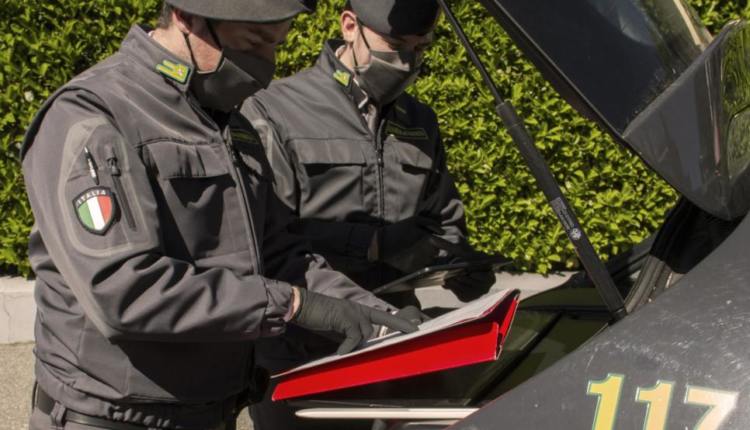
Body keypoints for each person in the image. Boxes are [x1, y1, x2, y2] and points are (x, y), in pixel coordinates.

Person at [20, 1, 418, 429]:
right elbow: (121, 289)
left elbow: (278, 255)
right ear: (186, 16)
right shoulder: (94, 114)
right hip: (111, 417)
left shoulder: (231, 125)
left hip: (212, 412)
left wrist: (378, 318)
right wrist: (291, 304)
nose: (266, 65)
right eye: (253, 42)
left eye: (276, 45)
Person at [242, 1, 496, 428]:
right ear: (349, 26)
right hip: (305, 357)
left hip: (397, 344)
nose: (407, 61)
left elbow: (444, 222)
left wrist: (459, 266)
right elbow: (264, 241)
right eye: (395, 45)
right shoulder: (274, 111)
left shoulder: (420, 121)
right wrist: (369, 245)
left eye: (420, 48)